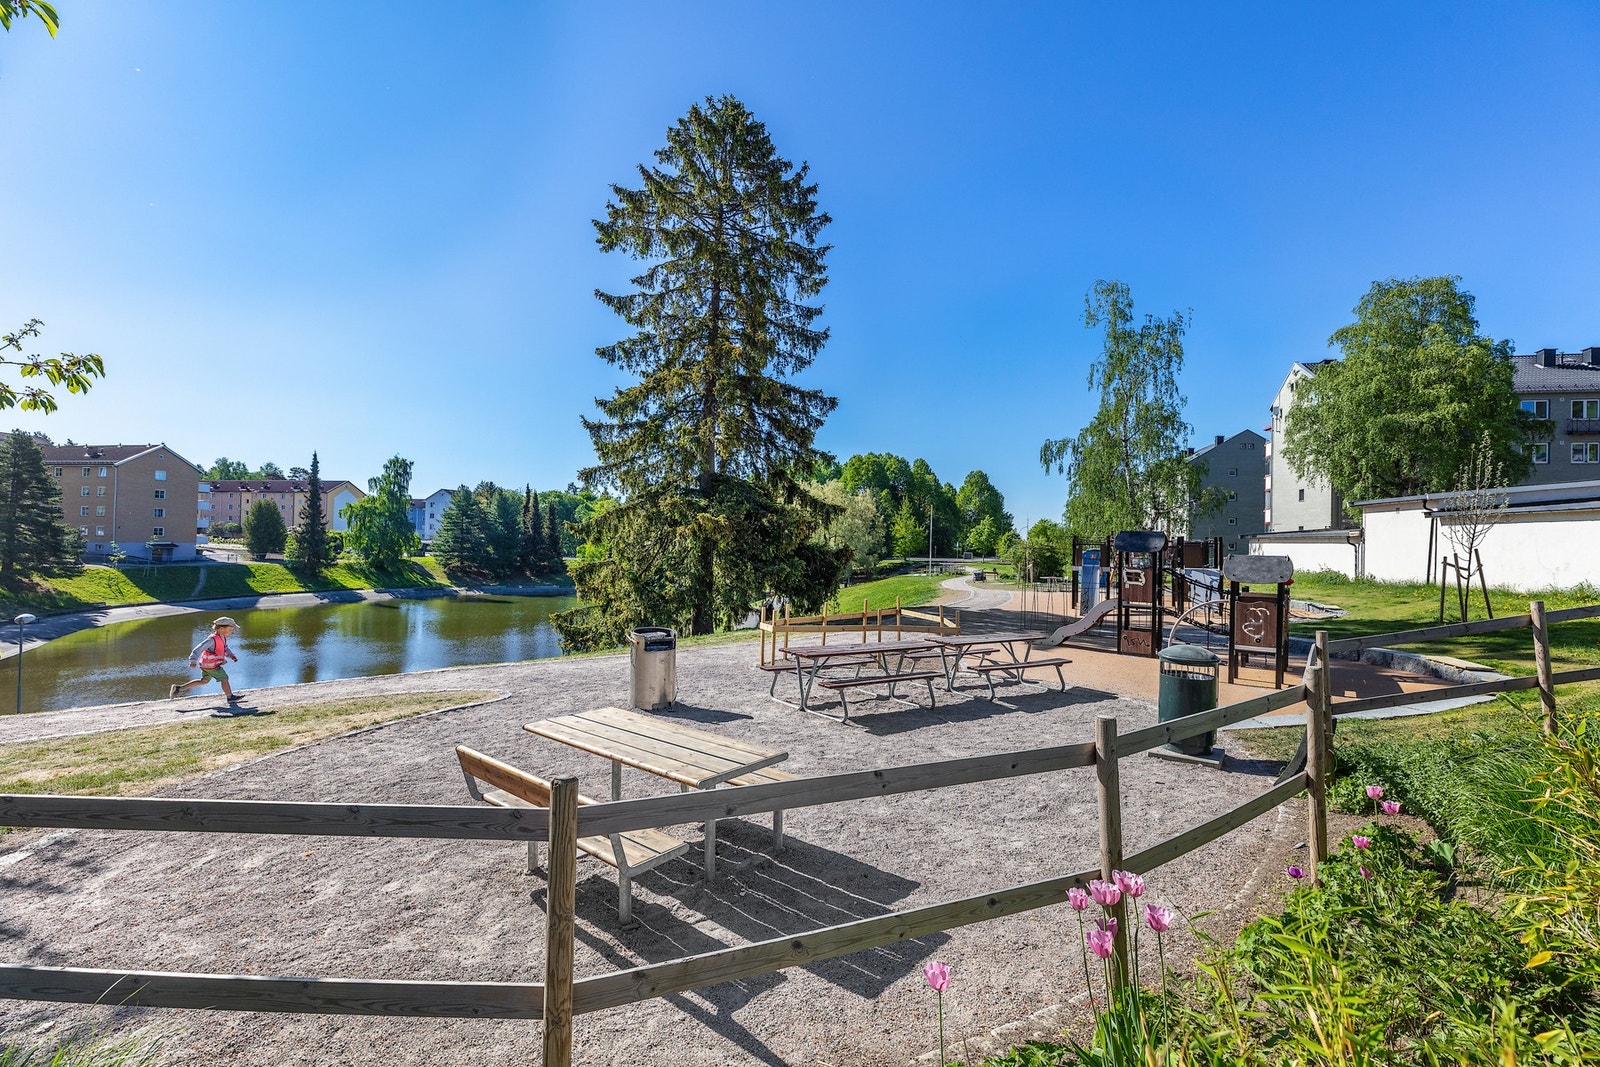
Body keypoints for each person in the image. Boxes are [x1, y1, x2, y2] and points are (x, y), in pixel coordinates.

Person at [170, 617, 243, 703]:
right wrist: (193, 660)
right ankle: (230, 697)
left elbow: (225, 648)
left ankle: (178, 688)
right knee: (224, 678)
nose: (231, 632)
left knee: (204, 681)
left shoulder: (222, 638)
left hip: (208, 665)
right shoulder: (212, 640)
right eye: (230, 630)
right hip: (211, 666)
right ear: (221, 629)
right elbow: (199, 648)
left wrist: (231, 655)